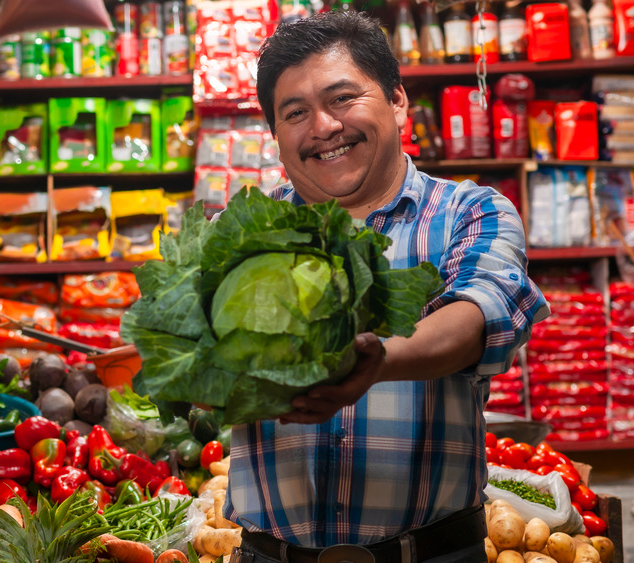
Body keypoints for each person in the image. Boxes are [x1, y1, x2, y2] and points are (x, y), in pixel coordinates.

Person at [225, 11, 550, 563]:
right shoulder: (240, 233)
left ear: (397, 100)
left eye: (342, 98)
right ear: (274, 132)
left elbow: (478, 315)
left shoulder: (470, 211)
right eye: (295, 112)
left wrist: (377, 358)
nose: (323, 127)